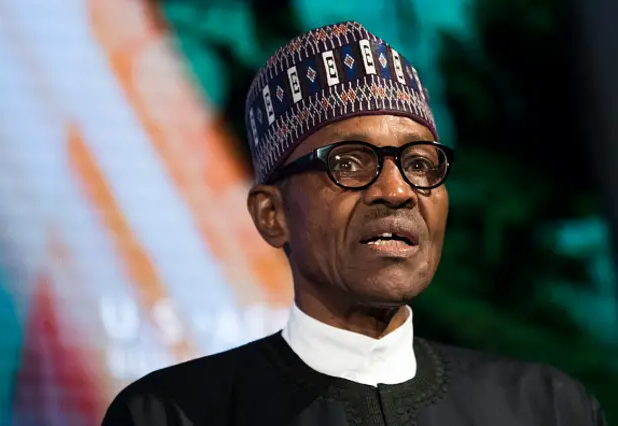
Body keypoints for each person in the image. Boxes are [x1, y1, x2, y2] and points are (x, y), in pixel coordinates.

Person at [101, 21, 607, 426]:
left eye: (421, 164)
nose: (397, 190)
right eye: (348, 162)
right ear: (271, 215)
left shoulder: (548, 408)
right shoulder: (169, 414)